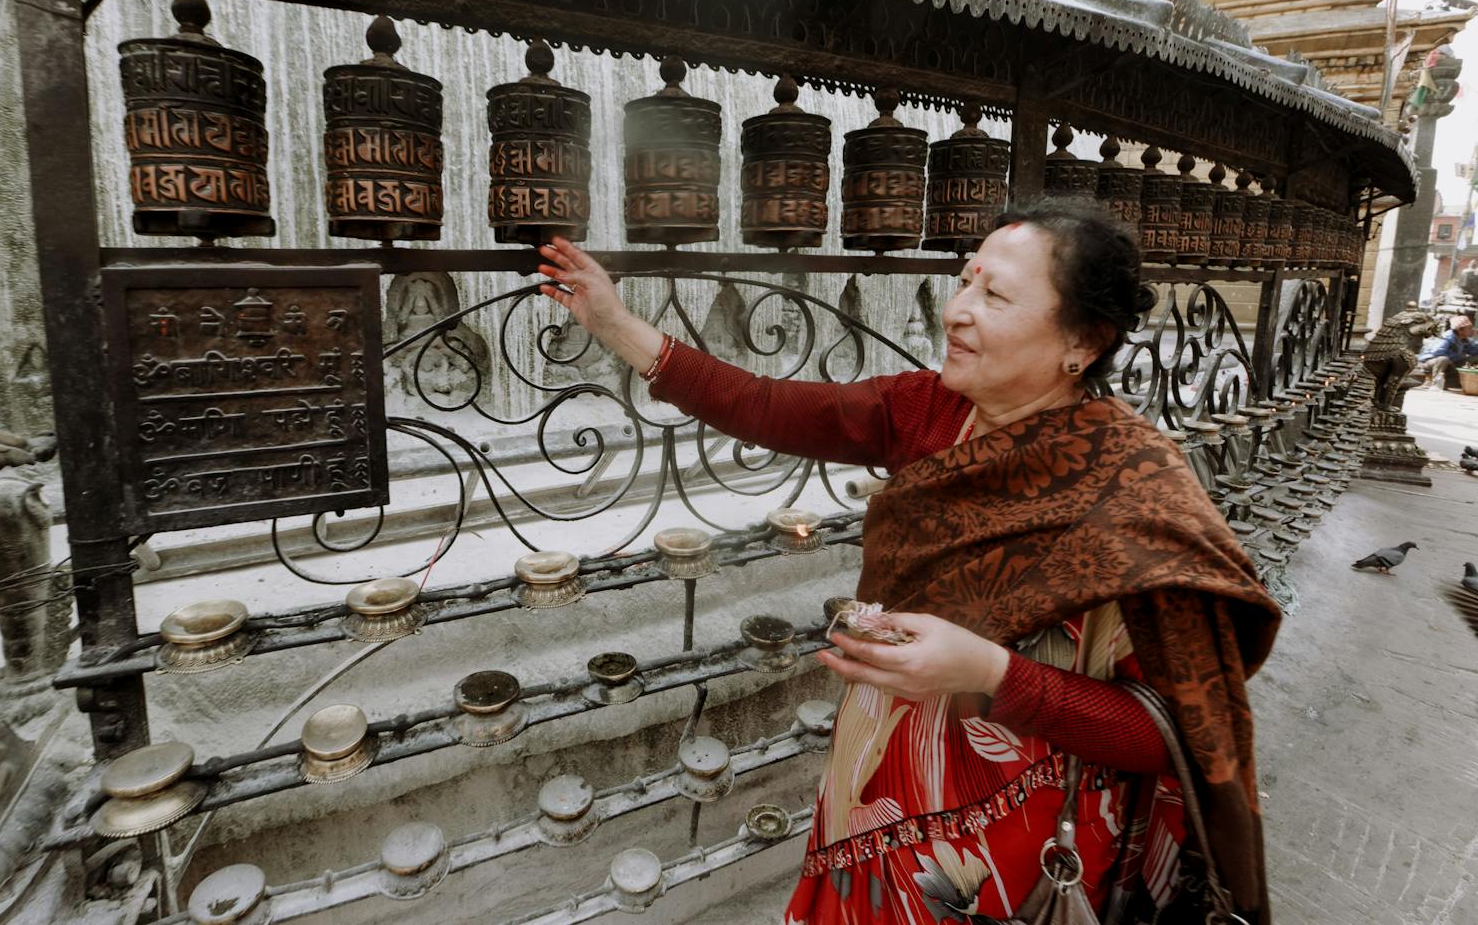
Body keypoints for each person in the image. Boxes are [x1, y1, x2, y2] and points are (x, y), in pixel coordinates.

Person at [536, 207, 1281, 925]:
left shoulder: (1134, 492)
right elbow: (768, 406)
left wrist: (992, 674)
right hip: (875, 795)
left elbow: (1174, 734)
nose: (957, 310)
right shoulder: (928, 413)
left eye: (994, 295)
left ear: (1082, 340)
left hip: (1022, 851)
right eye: (965, 281)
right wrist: (614, 325)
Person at [1418, 314, 1478, 389]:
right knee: (1443, 359)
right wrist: (1452, 360)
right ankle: (1435, 383)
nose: (1473, 330)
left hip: (1449, 364)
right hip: (1429, 363)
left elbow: (1475, 351)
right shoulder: (1447, 337)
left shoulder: (1464, 340)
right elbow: (1437, 353)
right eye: (1469, 328)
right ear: (1460, 330)